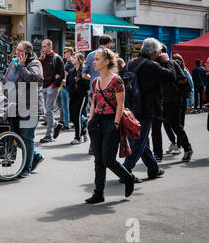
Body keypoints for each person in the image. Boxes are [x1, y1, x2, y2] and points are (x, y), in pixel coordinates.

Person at [122, 38, 176, 181]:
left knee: (143, 142)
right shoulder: (151, 65)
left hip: (129, 107)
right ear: (153, 52)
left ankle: (153, 169)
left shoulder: (130, 63)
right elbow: (171, 76)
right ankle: (125, 170)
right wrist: (166, 60)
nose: (159, 54)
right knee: (140, 141)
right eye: (158, 52)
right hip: (146, 109)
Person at [86, 48, 135, 203]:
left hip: (111, 121)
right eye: (94, 59)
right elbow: (94, 103)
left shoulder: (117, 80)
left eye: (97, 59)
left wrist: (115, 123)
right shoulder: (95, 82)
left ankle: (128, 177)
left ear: (106, 62)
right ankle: (98, 193)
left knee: (108, 159)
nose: (94, 62)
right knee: (98, 159)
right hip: (96, 122)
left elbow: (120, 105)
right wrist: (90, 120)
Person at [2, 41, 45, 178]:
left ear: (28, 53)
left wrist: (21, 65)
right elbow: (6, 79)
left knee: (27, 138)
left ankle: (26, 167)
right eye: (17, 50)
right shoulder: (13, 62)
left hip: (30, 107)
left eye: (20, 51)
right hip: (14, 106)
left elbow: (32, 78)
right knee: (16, 137)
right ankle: (36, 156)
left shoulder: (35, 64)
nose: (17, 53)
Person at [151, 46, 193, 162]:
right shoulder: (154, 64)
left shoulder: (172, 63)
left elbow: (183, 79)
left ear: (161, 52)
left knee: (176, 126)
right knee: (155, 128)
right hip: (158, 101)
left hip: (172, 100)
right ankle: (157, 154)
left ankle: (187, 148)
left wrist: (170, 80)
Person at [38, 39, 65, 143]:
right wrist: (40, 59)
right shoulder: (44, 57)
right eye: (42, 46)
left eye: (44, 46)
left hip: (52, 87)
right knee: (43, 110)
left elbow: (62, 74)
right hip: (44, 86)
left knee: (48, 110)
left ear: (50, 46)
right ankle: (56, 124)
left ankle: (48, 134)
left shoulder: (57, 58)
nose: (42, 48)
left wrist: (54, 84)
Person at [66, 52, 90, 145]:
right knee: (72, 116)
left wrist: (84, 79)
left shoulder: (83, 71)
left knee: (77, 116)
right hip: (72, 96)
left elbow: (87, 85)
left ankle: (78, 137)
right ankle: (83, 128)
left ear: (79, 60)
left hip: (81, 96)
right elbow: (68, 83)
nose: (72, 58)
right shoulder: (71, 71)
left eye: (74, 57)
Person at [59, 47, 75, 132]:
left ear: (69, 53)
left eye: (65, 52)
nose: (64, 54)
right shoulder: (65, 62)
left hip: (69, 87)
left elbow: (73, 74)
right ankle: (66, 124)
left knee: (70, 107)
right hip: (63, 86)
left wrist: (64, 72)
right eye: (64, 52)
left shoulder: (72, 62)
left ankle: (83, 120)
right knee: (64, 107)